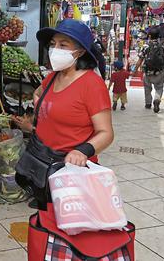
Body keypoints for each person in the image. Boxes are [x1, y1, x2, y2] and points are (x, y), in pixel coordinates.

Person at [33, 19, 114, 167]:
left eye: (63, 45)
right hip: (42, 159)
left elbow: (106, 133)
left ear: (81, 51)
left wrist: (82, 151)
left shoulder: (92, 84)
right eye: (52, 44)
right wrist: (42, 114)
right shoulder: (53, 76)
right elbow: (37, 94)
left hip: (71, 169)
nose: (55, 49)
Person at [134, 28, 164, 113]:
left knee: (147, 88)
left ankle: (148, 103)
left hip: (148, 72)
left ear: (149, 36)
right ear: (158, 36)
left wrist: (135, 70)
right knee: (159, 87)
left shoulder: (145, 46)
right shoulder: (163, 46)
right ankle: (157, 99)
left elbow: (140, 59)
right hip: (159, 71)